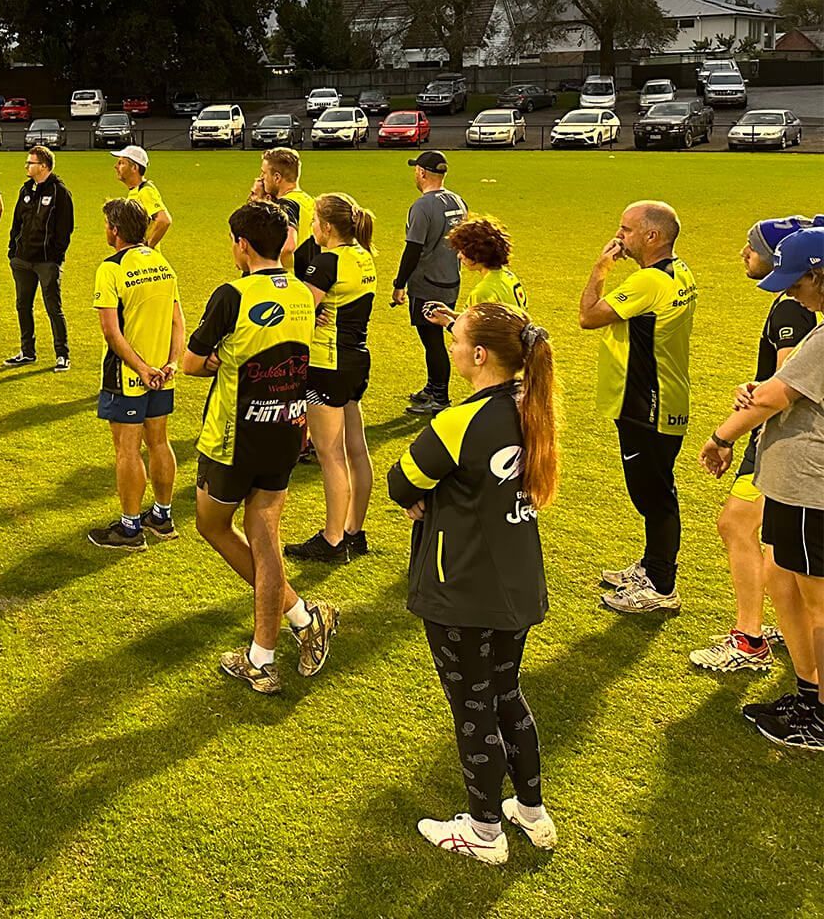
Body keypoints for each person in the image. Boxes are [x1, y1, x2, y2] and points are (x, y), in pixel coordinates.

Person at [391, 303, 559, 863]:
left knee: (473, 705)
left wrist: (428, 498)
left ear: (479, 355)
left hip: (462, 589)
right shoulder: (529, 404)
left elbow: (400, 481)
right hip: (515, 582)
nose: (453, 346)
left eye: (457, 339)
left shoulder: (458, 421)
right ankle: (531, 812)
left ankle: (485, 832)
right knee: (507, 693)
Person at [183, 201, 337, 694]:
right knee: (265, 534)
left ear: (243, 245)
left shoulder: (231, 294)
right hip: (286, 427)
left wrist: (217, 363)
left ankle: (285, 631)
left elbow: (190, 362)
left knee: (214, 525)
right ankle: (278, 638)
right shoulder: (300, 291)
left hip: (234, 435)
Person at [700, 226, 824, 751]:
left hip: (810, 488)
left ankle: (819, 716)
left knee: (818, 601)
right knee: (789, 584)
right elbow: (780, 389)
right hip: (795, 485)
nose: (791, 295)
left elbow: (776, 395)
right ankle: (808, 693)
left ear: (819, 276)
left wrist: (720, 436)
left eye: (797, 284)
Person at [583, 201, 698, 614]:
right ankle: (652, 568)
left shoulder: (650, 282)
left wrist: (600, 270)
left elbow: (588, 316)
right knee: (657, 490)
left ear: (652, 237)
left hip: (646, 403)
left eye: (626, 230)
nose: (619, 237)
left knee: (655, 496)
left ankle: (662, 587)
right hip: (666, 396)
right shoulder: (679, 271)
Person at [85, 198, 186, 550]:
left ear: (114, 230)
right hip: (163, 372)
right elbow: (178, 322)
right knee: (159, 442)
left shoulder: (110, 269)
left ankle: (130, 529)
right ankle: (162, 516)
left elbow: (111, 332)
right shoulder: (162, 262)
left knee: (127, 449)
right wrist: (171, 363)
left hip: (129, 375)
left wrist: (140, 369)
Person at [287, 194, 378, 564]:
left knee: (330, 455)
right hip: (356, 361)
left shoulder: (327, 261)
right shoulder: (364, 256)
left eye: (313, 222)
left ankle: (332, 539)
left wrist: (313, 306)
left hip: (327, 364)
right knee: (357, 448)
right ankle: (354, 532)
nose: (311, 228)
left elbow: (298, 309)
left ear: (326, 227)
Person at [393, 151, 467, 414]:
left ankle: (440, 397)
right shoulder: (458, 201)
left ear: (422, 173)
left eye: (416, 169)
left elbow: (413, 249)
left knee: (432, 340)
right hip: (450, 280)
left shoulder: (422, 207)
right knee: (433, 338)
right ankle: (432, 386)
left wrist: (399, 284)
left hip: (427, 284)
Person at [3, 145, 75, 374]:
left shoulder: (60, 192)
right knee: (23, 306)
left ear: (43, 166)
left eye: (30, 163)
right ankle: (27, 352)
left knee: (53, 307)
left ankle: (62, 355)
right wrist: (13, 250)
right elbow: (17, 222)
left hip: (47, 262)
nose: (26, 166)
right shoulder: (26, 190)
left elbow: (65, 229)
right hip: (22, 259)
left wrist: (55, 256)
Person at [423, 217, 529, 320]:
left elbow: (473, 334)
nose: (459, 256)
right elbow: (490, 321)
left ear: (476, 254)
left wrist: (446, 322)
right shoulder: (508, 276)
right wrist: (452, 315)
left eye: (462, 251)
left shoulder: (482, 293)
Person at [254, 147, 316, 260]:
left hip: (291, 275)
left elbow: (288, 246)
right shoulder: (309, 201)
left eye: (264, 173)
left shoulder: (285, 205)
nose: (262, 178)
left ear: (277, 177)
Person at [110, 146, 171, 246]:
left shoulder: (145, 191)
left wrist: (147, 246)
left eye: (121, 163)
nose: (116, 166)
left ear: (135, 168)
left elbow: (164, 220)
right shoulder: (137, 190)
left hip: (142, 258)